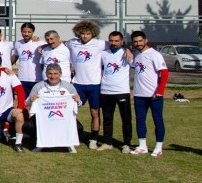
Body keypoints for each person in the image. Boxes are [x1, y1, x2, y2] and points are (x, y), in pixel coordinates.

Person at [67, 20, 109, 150]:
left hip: (95, 84)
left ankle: (93, 139)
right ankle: (71, 136)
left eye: (88, 33)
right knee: (71, 110)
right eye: (83, 33)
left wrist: (128, 50)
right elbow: (58, 43)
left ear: (93, 33)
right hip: (78, 84)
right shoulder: (72, 43)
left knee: (94, 112)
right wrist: (42, 45)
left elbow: (117, 44)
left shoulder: (100, 44)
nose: (85, 36)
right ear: (78, 33)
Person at [26, 63, 81, 153]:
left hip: (64, 118)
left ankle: (69, 143)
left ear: (60, 74)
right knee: (28, 126)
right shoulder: (38, 86)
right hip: (44, 118)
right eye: (50, 74)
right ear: (46, 74)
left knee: (79, 128)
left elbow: (78, 103)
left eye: (55, 74)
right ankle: (40, 143)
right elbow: (27, 102)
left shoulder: (68, 87)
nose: (52, 76)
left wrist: (78, 101)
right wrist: (31, 100)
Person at [130, 31, 168, 157]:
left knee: (158, 120)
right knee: (140, 120)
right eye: (135, 42)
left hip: (154, 95)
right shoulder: (136, 54)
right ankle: (142, 146)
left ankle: (158, 147)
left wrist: (160, 91)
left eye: (140, 41)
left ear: (146, 40)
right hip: (139, 94)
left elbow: (164, 73)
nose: (138, 44)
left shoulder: (154, 54)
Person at [99, 31, 134, 153]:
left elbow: (135, 64)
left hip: (121, 91)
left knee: (126, 119)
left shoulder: (126, 53)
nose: (113, 43)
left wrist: (127, 48)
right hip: (105, 91)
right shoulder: (103, 53)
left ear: (122, 41)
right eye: (111, 40)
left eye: (116, 41)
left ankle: (126, 144)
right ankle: (107, 142)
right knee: (107, 118)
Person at [14, 22, 43, 98]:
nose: (26, 34)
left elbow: (53, 43)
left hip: (37, 79)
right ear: (21, 31)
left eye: (29, 32)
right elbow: (15, 56)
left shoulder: (40, 43)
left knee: (36, 102)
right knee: (24, 102)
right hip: (22, 78)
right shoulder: (18, 43)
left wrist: (39, 38)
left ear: (33, 32)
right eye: (24, 31)